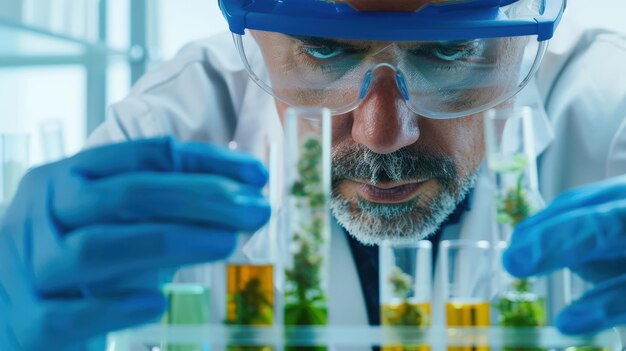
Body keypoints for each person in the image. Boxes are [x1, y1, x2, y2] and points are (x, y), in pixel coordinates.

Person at [1, 0, 626, 349]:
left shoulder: (611, 120)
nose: (382, 133)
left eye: (450, 50)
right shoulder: (172, 128)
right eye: (325, 50)